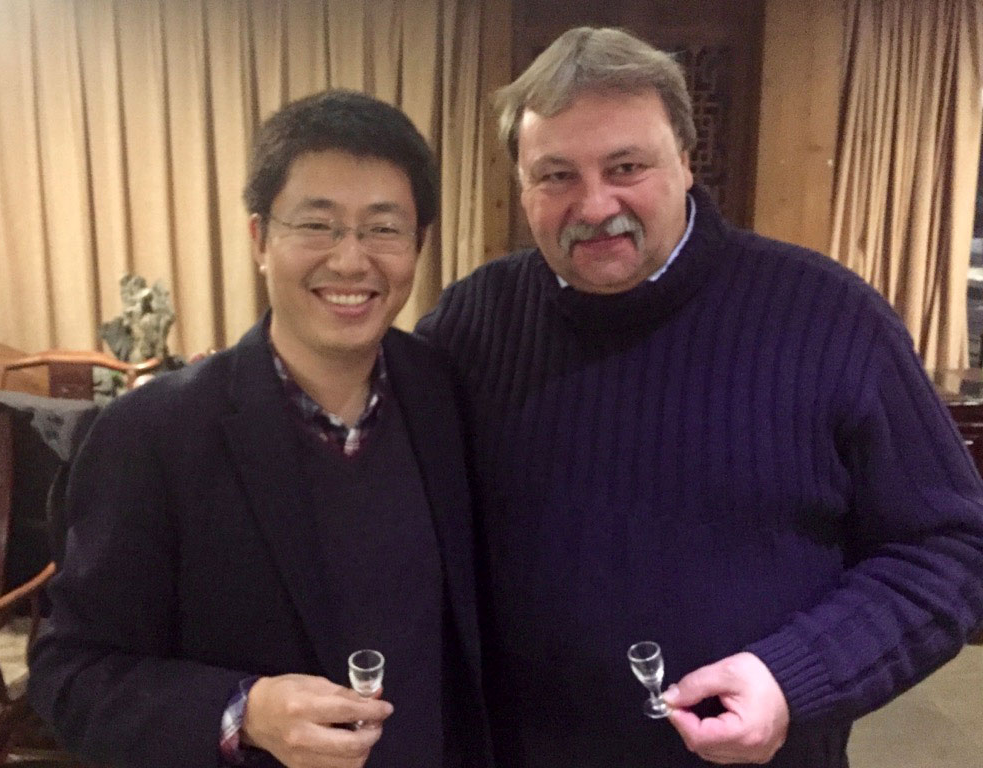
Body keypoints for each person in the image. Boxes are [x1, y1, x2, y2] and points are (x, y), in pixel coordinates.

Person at [416, 26, 983, 768]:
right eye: (555, 175)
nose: (594, 204)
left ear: (686, 160)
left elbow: (951, 549)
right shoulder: (472, 322)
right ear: (522, 186)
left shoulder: (829, 317)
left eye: (626, 166)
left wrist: (792, 678)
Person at [30, 90, 491, 768]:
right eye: (318, 225)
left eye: (383, 228)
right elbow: (71, 673)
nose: (351, 260)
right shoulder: (152, 435)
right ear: (259, 240)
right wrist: (243, 712)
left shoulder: (445, 395)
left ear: (418, 245)